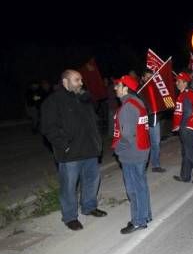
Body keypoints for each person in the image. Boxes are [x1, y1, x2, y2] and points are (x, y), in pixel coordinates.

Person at [41, 70, 107, 231]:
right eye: (77, 80)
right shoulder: (54, 101)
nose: (81, 83)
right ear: (65, 82)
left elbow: (93, 120)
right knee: (69, 187)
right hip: (70, 154)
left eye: (81, 80)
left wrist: (97, 142)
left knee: (92, 181)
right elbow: (49, 128)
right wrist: (65, 145)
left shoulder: (83, 98)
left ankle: (89, 207)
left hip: (90, 150)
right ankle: (70, 216)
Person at [112, 75, 152, 234]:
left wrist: (117, 148)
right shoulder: (138, 102)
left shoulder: (127, 106)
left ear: (126, 88)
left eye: (118, 85)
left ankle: (138, 221)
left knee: (133, 189)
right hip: (141, 150)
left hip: (132, 153)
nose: (115, 88)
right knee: (141, 186)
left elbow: (127, 135)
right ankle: (145, 215)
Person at [140, 70, 166, 173]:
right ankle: (142, 166)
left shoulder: (156, 88)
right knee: (144, 145)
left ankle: (156, 165)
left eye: (151, 77)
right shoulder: (139, 90)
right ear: (142, 78)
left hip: (155, 119)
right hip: (144, 121)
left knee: (156, 143)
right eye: (147, 77)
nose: (150, 79)